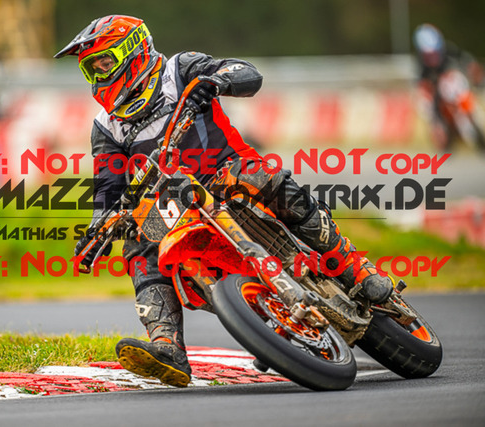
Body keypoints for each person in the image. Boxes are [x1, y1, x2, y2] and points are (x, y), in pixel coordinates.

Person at [56, 15, 394, 387]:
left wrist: (216, 81)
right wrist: (99, 226)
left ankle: (355, 268)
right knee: (138, 244)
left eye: (104, 62)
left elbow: (247, 73)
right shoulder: (105, 125)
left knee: (263, 179)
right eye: (92, 68)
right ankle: (167, 345)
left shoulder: (179, 70)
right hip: (175, 204)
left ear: (133, 52)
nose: (99, 73)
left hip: (226, 170)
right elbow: (107, 185)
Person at [412, 23, 484, 150]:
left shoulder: (451, 52)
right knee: (423, 103)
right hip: (436, 100)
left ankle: (471, 119)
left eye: (434, 53)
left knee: (454, 83)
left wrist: (475, 75)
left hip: (455, 94)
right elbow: (421, 88)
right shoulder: (420, 66)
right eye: (428, 55)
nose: (432, 58)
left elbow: (471, 66)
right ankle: (440, 130)